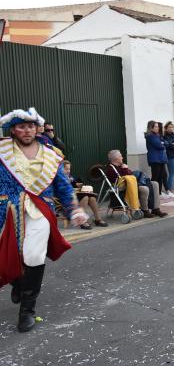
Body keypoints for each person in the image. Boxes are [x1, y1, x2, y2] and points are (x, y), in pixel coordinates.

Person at [0, 108, 88, 333]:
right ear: (13, 129)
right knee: (10, 254)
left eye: (31, 126)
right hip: (7, 211)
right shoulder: (2, 150)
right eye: (21, 126)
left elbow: (62, 185)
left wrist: (73, 209)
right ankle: (18, 281)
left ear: (37, 127)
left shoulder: (50, 154)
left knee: (33, 254)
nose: (27, 130)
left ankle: (27, 311)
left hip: (40, 210)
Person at [105, 150, 167, 218]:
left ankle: (156, 209)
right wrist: (125, 169)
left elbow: (130, 174)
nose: (122, 158)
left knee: (155, 184)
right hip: (125, 187)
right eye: (120, 156)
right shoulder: (110, 169)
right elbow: (123, 179)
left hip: (133, 184)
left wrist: (125, 169)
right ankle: (145, 210)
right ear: (116, 159)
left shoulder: (121, 166)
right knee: (144, 188)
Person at [63, 160, 108, 230]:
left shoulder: (69, 176)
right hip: (67, 197)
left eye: (69, 169)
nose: (68, 171)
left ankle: (98, 219)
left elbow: (73, 184)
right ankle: (83, 221)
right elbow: (63, 189)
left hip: (75, 194)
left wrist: (78, 185)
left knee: (92, 198)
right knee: (85, 197)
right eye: (66, 169)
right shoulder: (60, 177)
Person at [145, 121, 169, 198]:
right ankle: (152, 193)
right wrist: (163, 143)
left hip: (161, 158)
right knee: (155, 176)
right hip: (155, 159)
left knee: (161, 176)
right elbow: (159, 145)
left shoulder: (158, 135)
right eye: (155, 126)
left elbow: (166, 143)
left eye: (158, 126)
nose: (157, 128)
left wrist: (163, 143)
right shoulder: (150, 136)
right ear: (151, 128)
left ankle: (159, 193)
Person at [163, 121, 174, 198]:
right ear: (166, 129)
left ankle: (172, 189)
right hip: (170, 156)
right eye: (169, 127)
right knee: (172, 173)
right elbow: (169, 145)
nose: (171, 128)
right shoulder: (165, 136)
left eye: (172, 127)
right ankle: (169, 190)